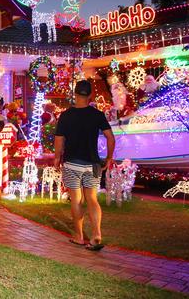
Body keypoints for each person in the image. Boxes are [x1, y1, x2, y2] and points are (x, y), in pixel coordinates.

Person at [54, 79, 115, 251]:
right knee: (92, 199)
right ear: (90, 95)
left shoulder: (66, 115)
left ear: (75, 94)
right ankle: (96, 235)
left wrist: (57, 158)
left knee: (76, 199)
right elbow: (110, 138)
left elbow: (59, 140)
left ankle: (79, 236)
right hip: (93, 163)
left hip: (72, 163)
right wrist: (109, 158)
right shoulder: (97, 115)